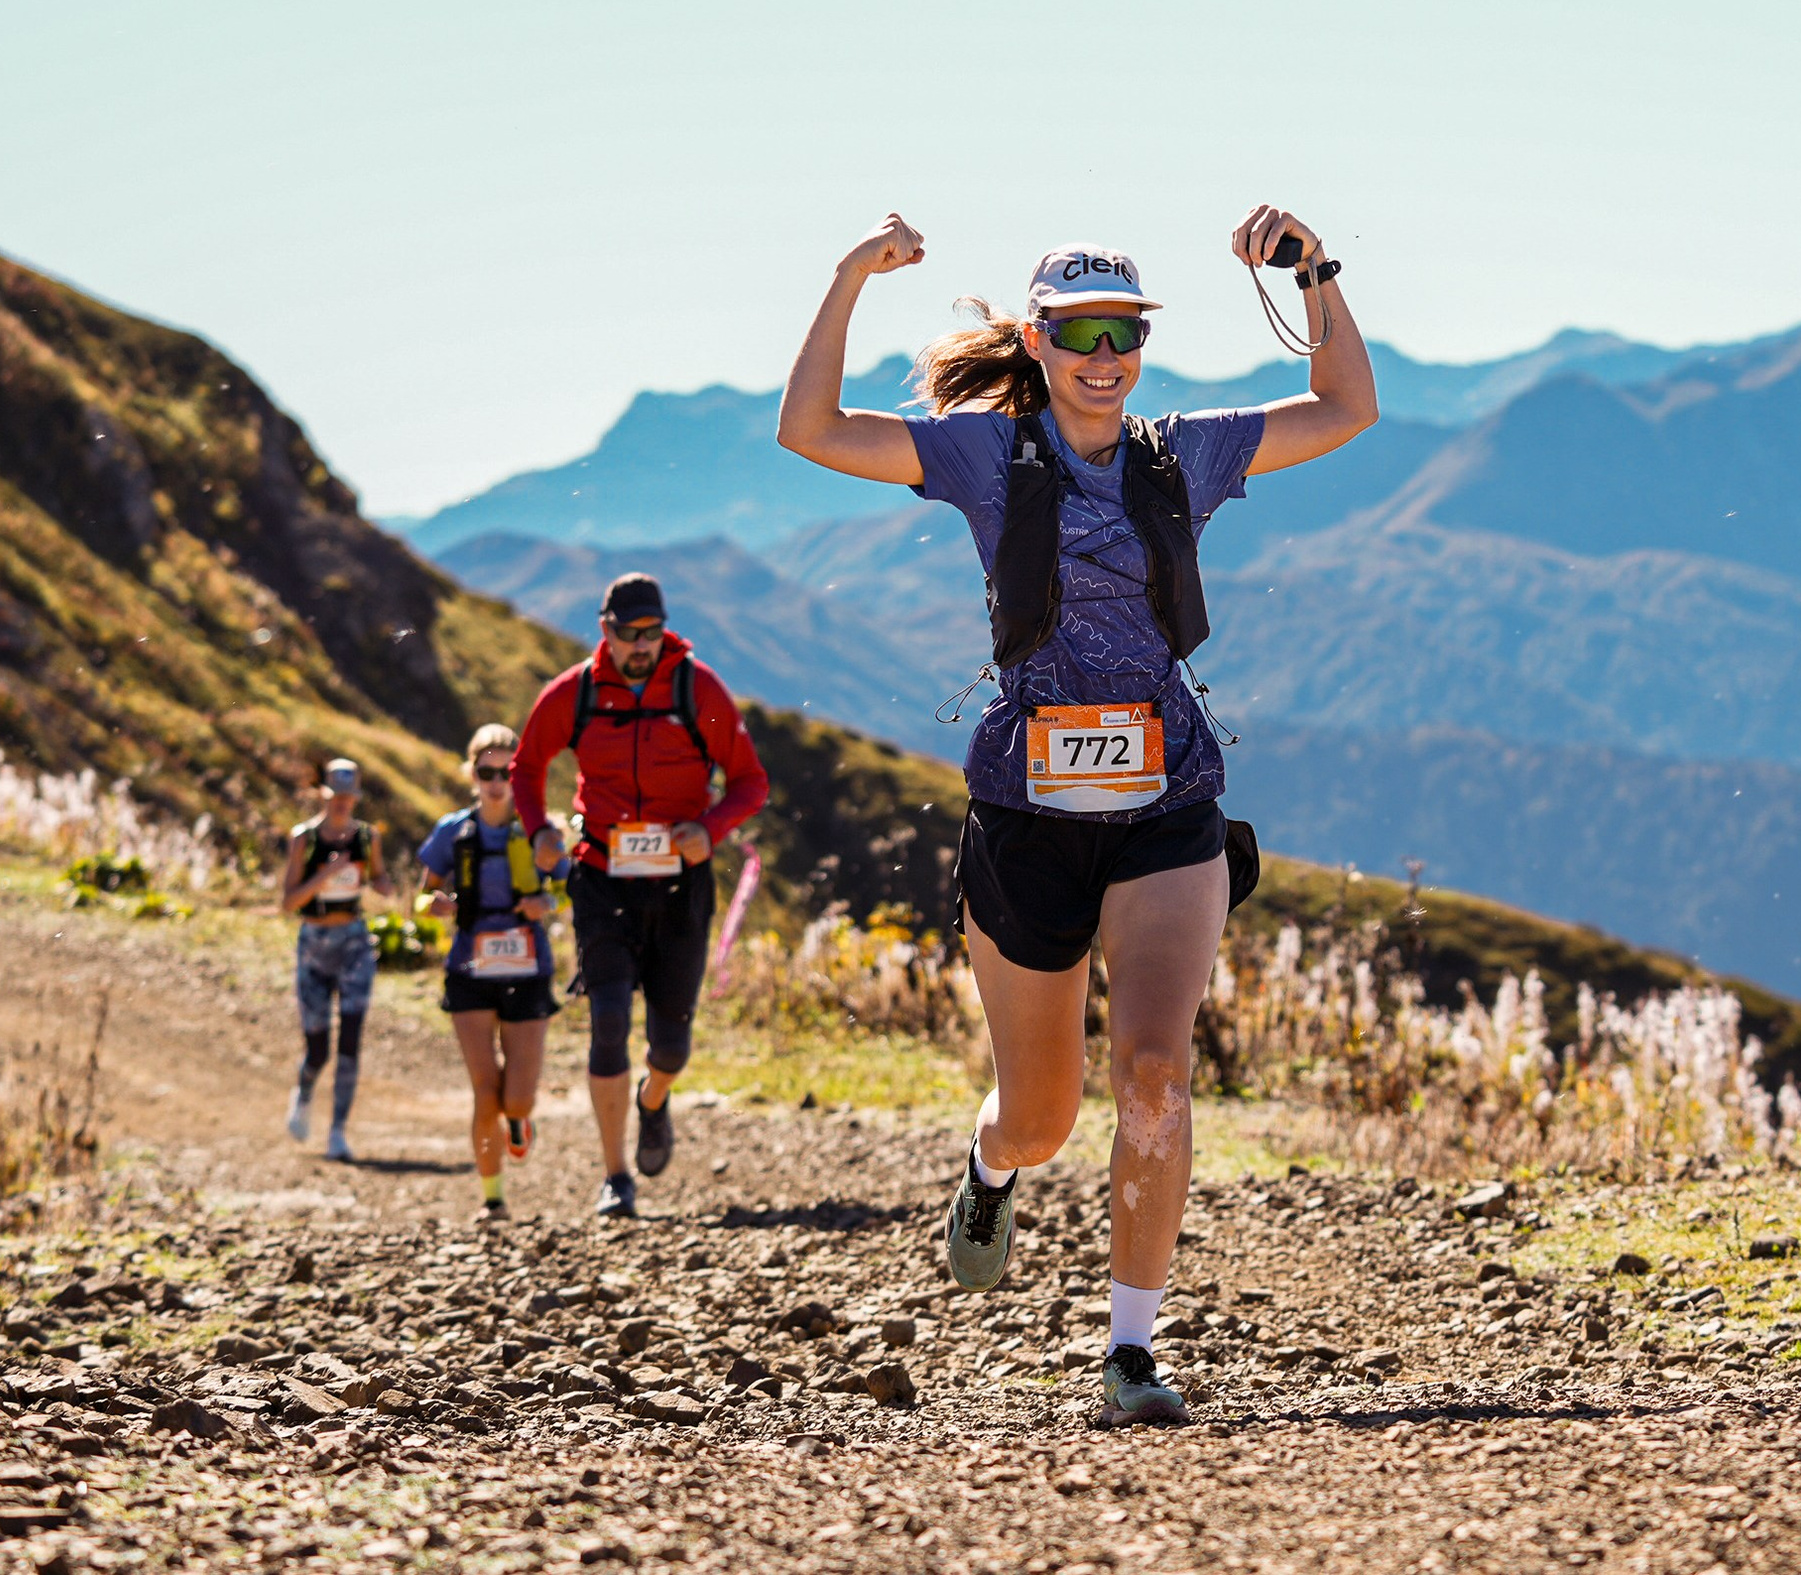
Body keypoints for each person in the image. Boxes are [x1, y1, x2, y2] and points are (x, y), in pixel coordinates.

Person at [773, 208, 1377, 1426]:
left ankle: (1132, 1355)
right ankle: (993, 1170)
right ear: (1038, 343)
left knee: (1154, 1074)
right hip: (1025, 811)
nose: (1104, 355)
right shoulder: (980, 457)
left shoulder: (1183, 454)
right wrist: (847, 279)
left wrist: (1313, 275)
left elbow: (1345, 408)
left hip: (1168, 804)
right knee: (1043, 1113)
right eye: (1078, 333)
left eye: (1124, 333)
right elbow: (809, 432)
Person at [511, 572, 770, 1219]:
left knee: (672, 1043)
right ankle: (615, 1176)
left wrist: (707, 830)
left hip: (682, 888)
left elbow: (750, 782)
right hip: (600, 879)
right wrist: (539, 826)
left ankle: (654, 1099)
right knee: (607, 1026)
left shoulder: (695, 686)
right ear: (605, 630)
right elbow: (526, 764)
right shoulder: (573, 694)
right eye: (628, 634)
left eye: (651, 633)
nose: (641, 646)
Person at [416, 724, 567, 1219]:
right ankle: (493, 1198)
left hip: (528, 967)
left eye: (507, 771)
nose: (497, 780)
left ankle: (520, 1123)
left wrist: (545, 901)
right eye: (488, 771)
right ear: (473, 773)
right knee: (485, 1091)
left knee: (516, 1099)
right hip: (469, 966)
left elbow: (567, 882)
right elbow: (421, 892)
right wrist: (431, 905)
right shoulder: (452, 831)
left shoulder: (537, 831)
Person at [278, 758, 378, 1162]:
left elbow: (379, 877)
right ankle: (303, 1091)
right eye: (335, 796)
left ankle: (338, 1131)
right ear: (323, 794)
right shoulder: (304, 838)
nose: (342, 804)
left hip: (354, 941)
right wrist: (326, 875)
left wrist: (384, 884)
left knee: (351, 1041)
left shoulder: (367, 838)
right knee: (318, 1047)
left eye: (348, 797)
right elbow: (288, 902)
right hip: (314, 942)